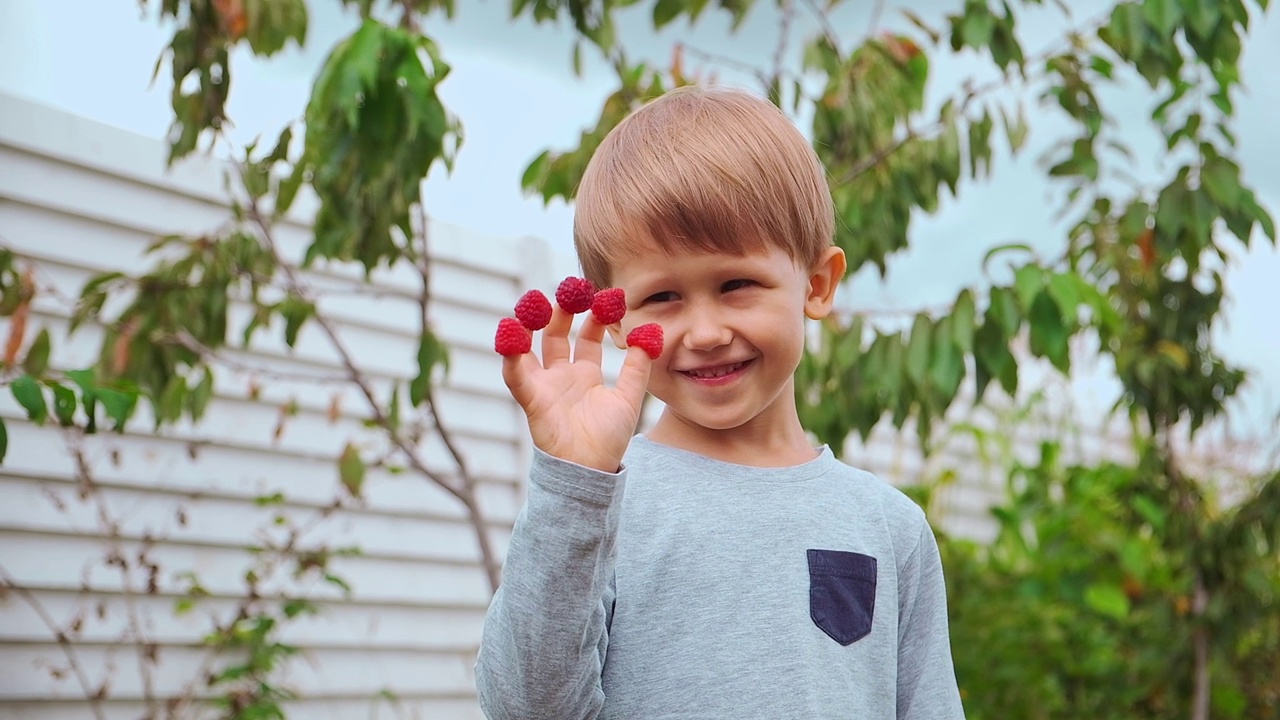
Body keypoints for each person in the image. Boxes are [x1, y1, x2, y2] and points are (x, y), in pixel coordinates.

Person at [474, 84, 965, 719]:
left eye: (737, 284)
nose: (704, 333)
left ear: (817, 285)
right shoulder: (595, 507)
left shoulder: (889, 527)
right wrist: (572, 487)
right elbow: (525, 708)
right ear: (616, 318)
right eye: (663, 298)